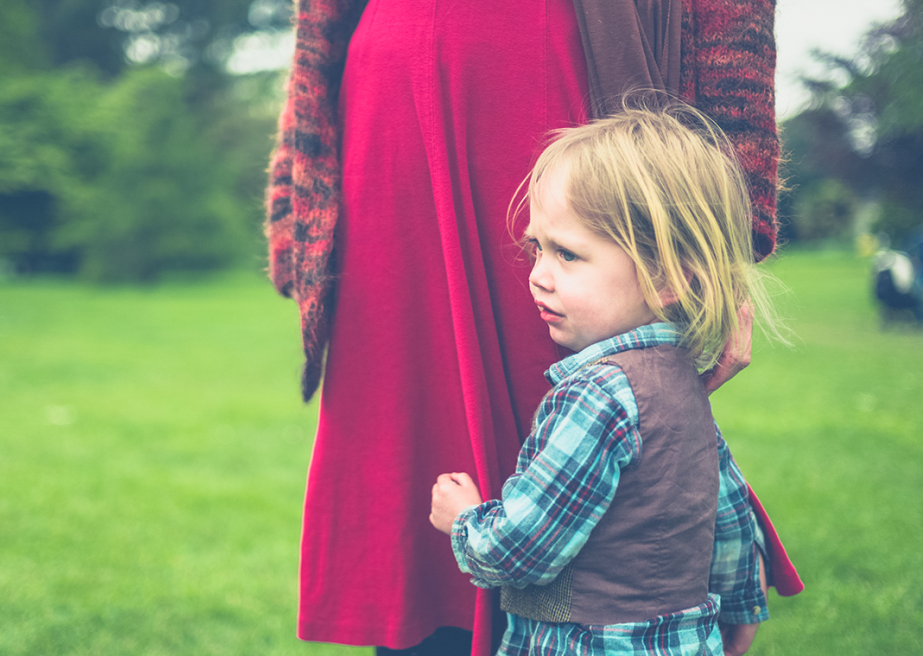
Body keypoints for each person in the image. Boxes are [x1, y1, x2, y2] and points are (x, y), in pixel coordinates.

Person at [264, 1, 802, 654]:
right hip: (391, 105)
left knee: (603, 416)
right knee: (416, 457)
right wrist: (300, 208)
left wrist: (723, 246)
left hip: (566, 71)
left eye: (557, 257)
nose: (538, 273)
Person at [429, 105, 785, 656]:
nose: (536, 275)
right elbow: (725, 511)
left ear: (667, 277)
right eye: (537, 248)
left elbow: (522, 549)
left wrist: (463, 521)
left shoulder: (596, 396)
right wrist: (739, 608)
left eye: (567, 254)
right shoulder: (684, 384)